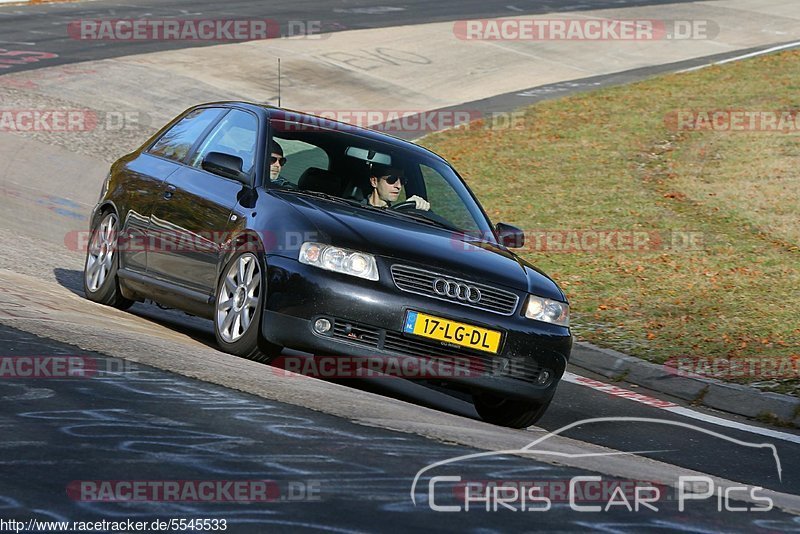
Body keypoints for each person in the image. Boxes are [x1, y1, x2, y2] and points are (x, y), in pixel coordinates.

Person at [363, 165, 430, 210]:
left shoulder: (399, 214)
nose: (399, 186)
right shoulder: (356, 208)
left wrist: (417, 206)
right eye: (392, 179)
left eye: (402, 180)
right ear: (374, 181)